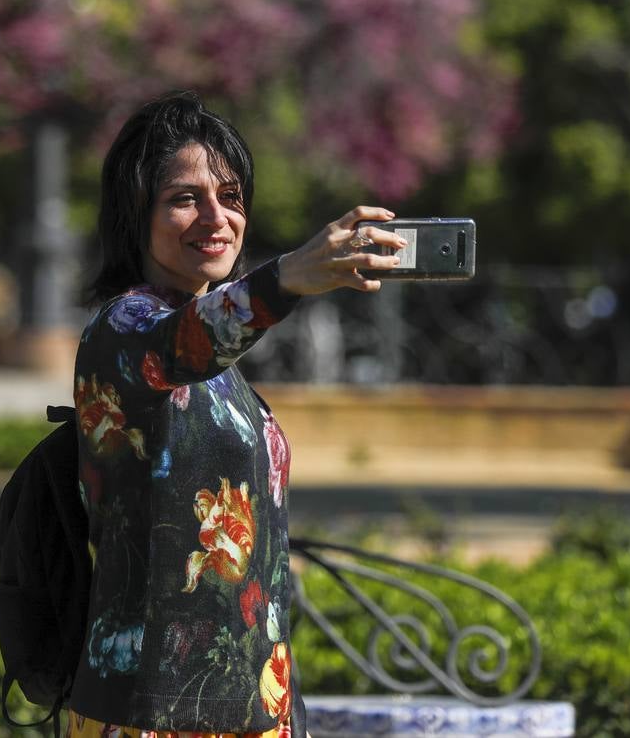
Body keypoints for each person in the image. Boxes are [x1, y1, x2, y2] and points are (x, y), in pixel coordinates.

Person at [68, 91, 406, 738]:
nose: (216, 218)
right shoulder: (123, 329)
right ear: (134, 214)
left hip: (252, 709)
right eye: (185, 198)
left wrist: (287, 714)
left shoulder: (223, 363)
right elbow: (180, 346)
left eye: (231, 196)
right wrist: (289, 278)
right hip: (151, 708)